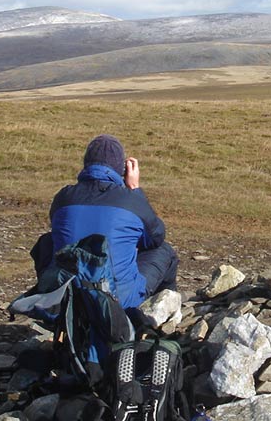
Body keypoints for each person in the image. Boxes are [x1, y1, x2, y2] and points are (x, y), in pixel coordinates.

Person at [49, 134, 178, 314]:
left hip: (66, 298)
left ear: (86, 164)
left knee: (48, 242)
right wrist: (135, 190)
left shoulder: (63, 197)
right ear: (122, 169)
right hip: (118, 300)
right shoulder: (131, 201)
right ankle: (157, 314)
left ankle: (55, 307)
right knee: (164, 251)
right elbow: (156, 236)